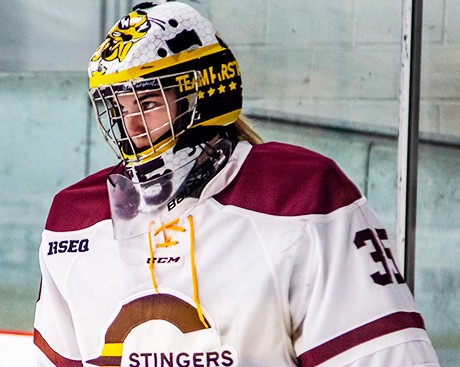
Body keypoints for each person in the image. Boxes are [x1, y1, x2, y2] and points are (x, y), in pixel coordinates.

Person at [33, 1, 440, 366]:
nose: (132, 126)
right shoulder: (75, 217)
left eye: (149, 102)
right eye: (119, 109)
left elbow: (387, 358)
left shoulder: (303, 195)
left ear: (206, 93)